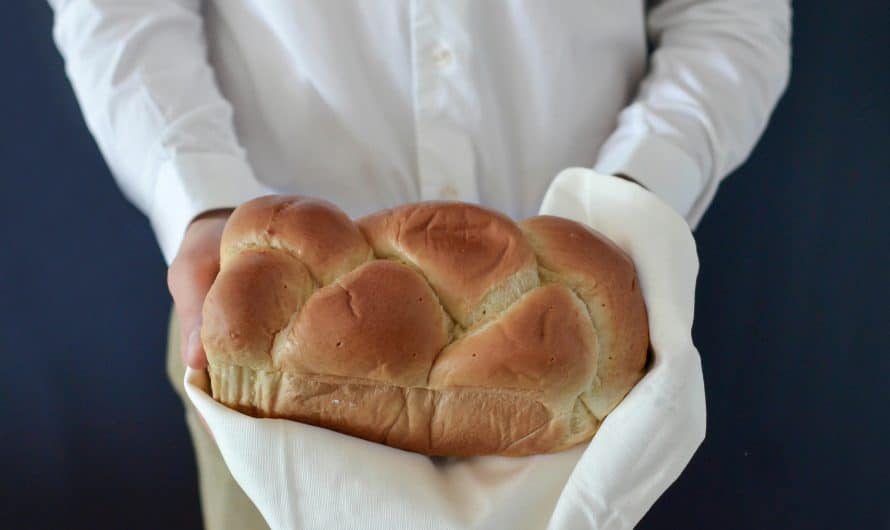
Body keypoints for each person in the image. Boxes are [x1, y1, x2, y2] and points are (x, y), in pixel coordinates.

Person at [48, 1, 791, 528]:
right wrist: (202, 202)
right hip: (263, 343)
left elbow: (731, 14)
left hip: (586, 345)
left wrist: (630, 202)